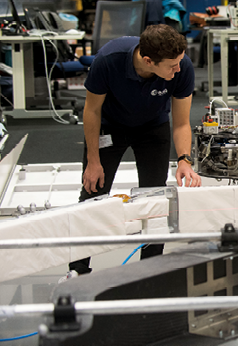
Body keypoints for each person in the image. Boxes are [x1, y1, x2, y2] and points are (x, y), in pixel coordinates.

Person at [66, 24, 202, 278]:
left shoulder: (182, 68)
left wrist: (184, 159)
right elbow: (92, 111)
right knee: (93, 194)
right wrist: (93, 160)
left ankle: (150, 271)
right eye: (172, 65)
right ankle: (77, 271)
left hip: (152, 127)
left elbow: (182, 122)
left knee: (155, 199)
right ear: (148, 61)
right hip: (109, 126)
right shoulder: (109, 60)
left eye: (180, 62)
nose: (179, 69)